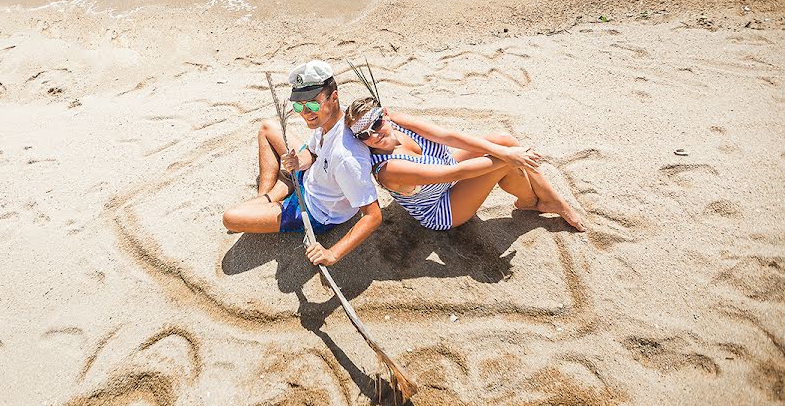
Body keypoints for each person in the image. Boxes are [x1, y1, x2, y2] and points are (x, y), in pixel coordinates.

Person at [343, 94, 586, 232]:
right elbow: (452, 173)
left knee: (504, 141)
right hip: (439, 207)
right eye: (363, 134)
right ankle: (540, 201)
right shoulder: (389, 169)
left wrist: (501, 149)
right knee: (506, 161)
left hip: (446, 171)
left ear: (385, 114)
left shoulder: (398, 121)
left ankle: (540, 200)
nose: (373, 135)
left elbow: (447, 136)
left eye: (375, 124)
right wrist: (507, 156)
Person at [222, 61, 383, 266]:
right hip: (310, 176)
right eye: (299, 105)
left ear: (334, 96)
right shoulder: (331, 118)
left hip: (317, 209)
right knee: (267, 127)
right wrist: (299, 162)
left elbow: (373, 215)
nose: (305, 112)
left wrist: (332, 254)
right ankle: (270, 196)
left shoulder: (346, 157)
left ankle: (274, 195)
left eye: (313, 103)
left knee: (231, 219)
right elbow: (313, 152)